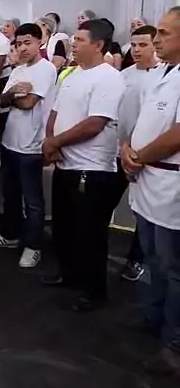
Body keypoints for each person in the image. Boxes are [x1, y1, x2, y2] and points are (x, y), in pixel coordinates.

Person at [42, 19, 125, 311]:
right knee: (64, 227)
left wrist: (56, 142)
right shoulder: (72, 73)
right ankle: (69, 274)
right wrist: (50, 140)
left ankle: (93, 290)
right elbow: (55, 112)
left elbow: (95, 123)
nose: (73, 44)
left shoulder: (109, 78)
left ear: (98, 45)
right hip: (65, 164)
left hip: (92, 168)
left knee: (90, 233)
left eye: (79, 40)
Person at [121, 7, 180, 376]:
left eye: (164, 33)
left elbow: (177, 134)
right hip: (147, 180)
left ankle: (174, 344)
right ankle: (154, 318)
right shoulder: (161, 73)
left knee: (174, 270)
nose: (156, 40)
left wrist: (139, 156)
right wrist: (128, 148)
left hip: (170, 186)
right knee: (156, 262)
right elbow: (144, 122)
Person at [0, 23, 57, 267]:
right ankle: (11, 234)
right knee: (10, 194)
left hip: (32, 145)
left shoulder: (46, 69)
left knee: (32, 200)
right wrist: (13, 94)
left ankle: (34, 245)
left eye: (27, 42)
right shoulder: (18, 70)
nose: (22, 48)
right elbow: (2, 100)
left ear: (40, 42)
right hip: (10, 141)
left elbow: (30, 102)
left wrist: (15, 96)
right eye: (18, 44)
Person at [113, 25, 158, 281]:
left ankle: (136, 259)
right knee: (106, 201)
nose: (137, 50)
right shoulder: (123, 76)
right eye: (134, 45)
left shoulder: (163, 77)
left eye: (143, 45)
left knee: (143, 211)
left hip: (147, 155)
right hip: (119, 151)